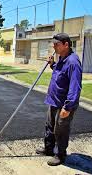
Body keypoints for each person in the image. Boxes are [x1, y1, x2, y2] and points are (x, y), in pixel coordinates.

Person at [36, 33, 82, 166]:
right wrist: (52, 64)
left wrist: (67, 107)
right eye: (53, 44)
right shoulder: (62, 58)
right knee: (50, 126)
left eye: (57, 44)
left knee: (61, 130)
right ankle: (49, 148)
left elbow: (75, 87)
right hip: (53, 100)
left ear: (66, 45)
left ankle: (60, 155)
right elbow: (60, 71)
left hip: (63, 105)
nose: (54, 46)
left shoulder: (73, 62)